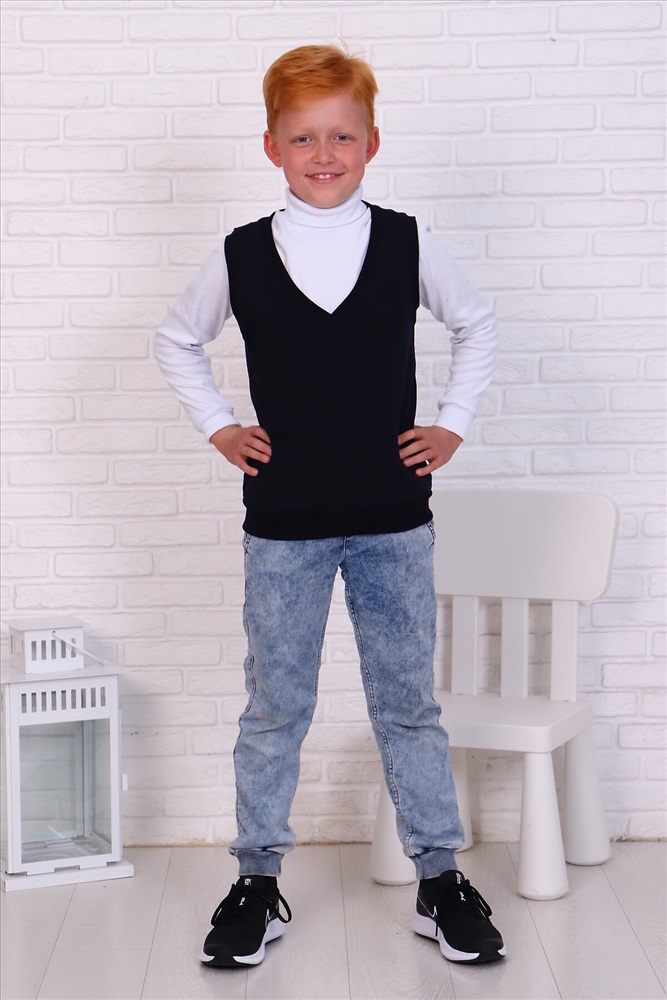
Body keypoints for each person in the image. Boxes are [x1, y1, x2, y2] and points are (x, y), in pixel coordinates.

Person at [155, 44, 505, 969]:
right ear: (272, 146)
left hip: (393, 517)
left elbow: (475, 324)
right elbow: (176, 340)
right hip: (285, 524)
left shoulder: (405, 243)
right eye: (303, 137)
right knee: (276, 705)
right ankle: (257, 879)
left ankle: (439, 878)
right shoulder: (240, 254)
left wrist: (451, 424)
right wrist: (221, 428)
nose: (323, 154)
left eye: (341, 136)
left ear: (371, 143)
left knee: (407, 703)